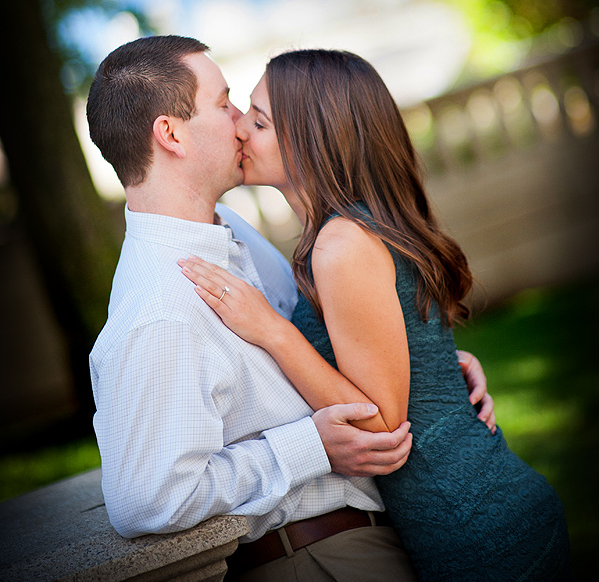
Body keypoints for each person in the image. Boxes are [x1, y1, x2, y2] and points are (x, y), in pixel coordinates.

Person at [87, 35, 494, 582]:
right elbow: (147, 498)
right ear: (171, 134)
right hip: (313, 558)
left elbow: (317, 345)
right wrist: (307, 449)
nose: (239, 121)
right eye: (225, 102)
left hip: (375, 534)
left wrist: (426, 370)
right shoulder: (159, 308)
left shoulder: (233, 233)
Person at [181, 48, 571, 582]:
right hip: (478, 507)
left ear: (316, 140)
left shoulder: (341, 242)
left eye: (260, 119)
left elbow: (382, 427)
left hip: (474, 525)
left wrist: (270, 330)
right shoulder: (354, 228)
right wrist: (441, 362)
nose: (241, 130)